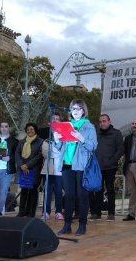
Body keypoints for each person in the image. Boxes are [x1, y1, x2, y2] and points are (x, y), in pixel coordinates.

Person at [54, 99, 97, 236]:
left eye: (78, 109)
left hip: (81, 165)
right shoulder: (67, 125)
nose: (75, 111)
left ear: (83, 111)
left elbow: (93, 146)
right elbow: (60, 147)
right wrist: (56, 140)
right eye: (73, 109)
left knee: (82, 196)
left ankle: (82, 225)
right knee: (69, 196)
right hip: (67, 164)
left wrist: (81, 138)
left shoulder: (88, 126)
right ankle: (67, 225)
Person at [90, 114, 124, 221]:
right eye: (100, 122)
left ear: (109, 121)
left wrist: (113, 160)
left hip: (110, 167)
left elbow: (120, 149)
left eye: (104, 121)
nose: (102, 123)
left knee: (110, 190)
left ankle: (111, 213)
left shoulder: (116, 133)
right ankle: (97, 213)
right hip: (97, 167)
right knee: (98, 190)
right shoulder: (96, 133)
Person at [15, 122, 43, 218]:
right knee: (24, 191)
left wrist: (27, 165)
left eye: (32, 129)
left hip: (34, 169)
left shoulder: (40, 142)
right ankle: (22, 211)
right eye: (28, 129)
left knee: (33, 191)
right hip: (23, 169)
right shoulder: (22, 142)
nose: (29, 130)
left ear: (35, 130)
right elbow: (17, 154)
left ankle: (31, 212)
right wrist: (22, 165)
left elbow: (39, 156)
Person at [40, 113, 64, 220]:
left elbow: (64, 152)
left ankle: (59, 211)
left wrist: (54, 151)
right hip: (48, 169)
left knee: (59, 191)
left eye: (57, 119)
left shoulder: (64, 136)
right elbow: (45, 153)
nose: (55, 120)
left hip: (60, 169)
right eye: (53, 118)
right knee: (47, 191)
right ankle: (46, 211)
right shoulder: (46, 137)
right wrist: (56, 151)